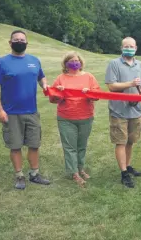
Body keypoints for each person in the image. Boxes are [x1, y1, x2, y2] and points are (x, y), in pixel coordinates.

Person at [0, 30, 50, 189]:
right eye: (16, 39)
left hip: (32, 111)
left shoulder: (34, 61)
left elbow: (41, 76)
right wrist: (0, 110)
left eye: (22, 39)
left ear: (27, 43)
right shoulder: (1, 63)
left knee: (34, 144)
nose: (19, 41)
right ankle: (19, 175)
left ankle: (34, 174)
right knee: (15, 146)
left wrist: (45, 85)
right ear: (10, 42)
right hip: (11, 112)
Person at [49, 51, 100, 187]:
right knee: (70, 147)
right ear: (65, 64)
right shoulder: (61, 78)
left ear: (81, 62)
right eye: (71, 60)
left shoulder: (89, 77)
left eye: (76, 60)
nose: (74, 62)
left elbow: (97, 95)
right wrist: (59, 93)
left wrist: (89, 93)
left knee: (81, 146)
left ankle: (80, 168)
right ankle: (74, 172)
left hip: (86, 117)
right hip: (66, 118)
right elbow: (52, 99)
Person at [105, 37, 141, 188]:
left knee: (131, 141)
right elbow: (111, 86)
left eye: (131, 46)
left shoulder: (140, 65)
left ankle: (128, 165)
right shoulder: (114, 64)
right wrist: (130, 84)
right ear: (121, 48)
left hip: (136, 110)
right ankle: (124, 173)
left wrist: (139, 95)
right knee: (121, 141)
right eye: (126, 46)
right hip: (118, 110)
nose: (129, 48)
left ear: (136, 48)